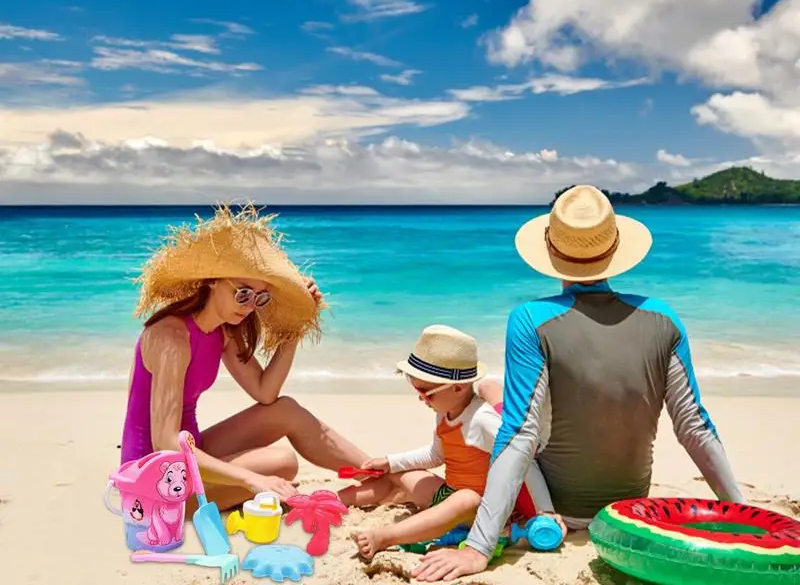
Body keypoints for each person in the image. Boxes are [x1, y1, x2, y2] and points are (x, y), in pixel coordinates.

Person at [412, 185, 745, 582]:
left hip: (552, 511)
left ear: (552, 254)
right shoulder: (664, 318)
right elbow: (694, 427)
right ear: (615, 250)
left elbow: (520, 433)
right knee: (495, 395)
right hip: (628, 511)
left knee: (493, 404)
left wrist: (479, 548)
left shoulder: (530, 319)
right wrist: (742, 514)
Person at [120, 203, 370, 510]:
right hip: (155, 481)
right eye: (242, 293)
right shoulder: (171, 338)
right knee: (282, 463)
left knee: (285, 410)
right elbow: (166, 443)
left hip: (190, 453)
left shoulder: (223, 332)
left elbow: (266, 394)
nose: (249, 305)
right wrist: (248, 479)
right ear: (213, 279)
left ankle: (375, 471)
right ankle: (383, 478)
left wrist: (297, 325)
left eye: (259, 297)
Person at [342, 325, 558, 560]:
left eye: (426, 393)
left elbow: (524, 460)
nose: (420, 398)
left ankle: (383, 537)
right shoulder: (445, 412)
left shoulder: (483, 420)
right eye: (416, 390)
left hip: (480, 508)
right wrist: (390, 462)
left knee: (466, 498)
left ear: (457, 387)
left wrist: (545, 511)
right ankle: (337, 500)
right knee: (398, 474)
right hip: (449, 493)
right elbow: (436, 455)